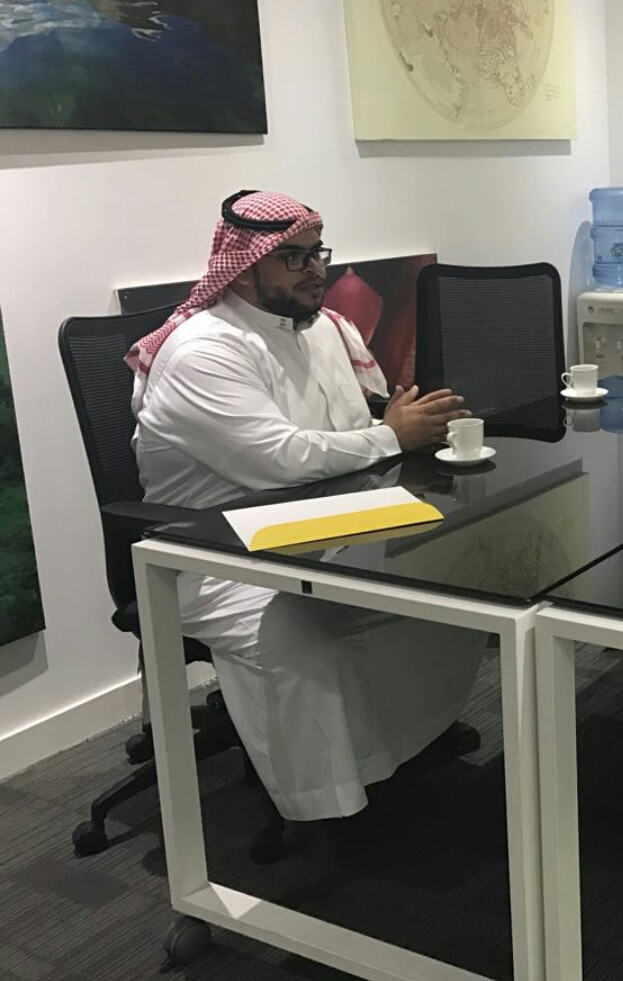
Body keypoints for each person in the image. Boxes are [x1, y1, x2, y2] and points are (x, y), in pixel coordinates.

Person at [130, 189, 485, 824]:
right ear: (244, 267)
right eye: (293, 258)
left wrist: (393, 428)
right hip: (218, 553)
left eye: (317, 253)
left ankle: (402, 744)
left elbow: (352, 428)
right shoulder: (204, 351)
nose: (316, 269)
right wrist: (392, 436)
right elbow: (279, 460)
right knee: (314, 638)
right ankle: (330, 795)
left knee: (447, 589)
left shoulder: (322, 330)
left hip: (326, 526)